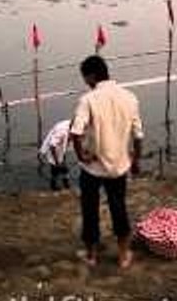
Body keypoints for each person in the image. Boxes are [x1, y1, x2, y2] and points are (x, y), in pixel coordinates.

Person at [69, 55, 144, 269]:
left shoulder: (88, 99)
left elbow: (75, 131)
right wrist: (136, 160)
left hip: (92, 168)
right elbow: (138, 135)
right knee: (119, 208)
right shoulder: (129, 97)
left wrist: (81, 154)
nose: (85, 82)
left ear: (92, 75)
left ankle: (91, 255)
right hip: (119, 166)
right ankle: (123, 255)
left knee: (89, 210)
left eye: (85, 77)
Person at [39, 119, 73, 191]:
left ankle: (66, 184)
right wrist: (57, 161)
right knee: (55, 169)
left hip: (60, 146)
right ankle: (54, 187)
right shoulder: (61, 130)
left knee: (64, 167)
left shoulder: (72, 124)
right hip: (53, 149)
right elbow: (52, 146)